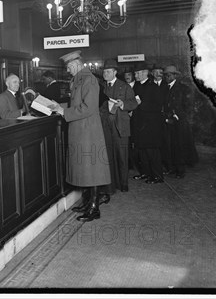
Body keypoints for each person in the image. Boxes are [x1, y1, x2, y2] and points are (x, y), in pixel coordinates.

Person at [50, 50, 111, 222]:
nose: (68, 70)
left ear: (76, 64)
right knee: (84, 168)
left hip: (88, 130)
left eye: (69, 67)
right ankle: (88, 202)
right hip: (80, 129)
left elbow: (89, 108)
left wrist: (63, 111)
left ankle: (94, 207)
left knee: (91, 168)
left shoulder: (89, 79)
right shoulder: (78, 79)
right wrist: (58, 106)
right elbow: (75, 103)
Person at [98, 59, 138, 195]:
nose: (105, 74)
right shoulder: (102, 86)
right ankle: (112, 183)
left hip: (120, 126)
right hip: (105, 125)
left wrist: (122, 104)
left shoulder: (125, 86)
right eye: (104, 72)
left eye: (108, 71)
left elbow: (134, 103)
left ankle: (124, 183)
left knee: (122, 156)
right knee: (108, 156)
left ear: (115, 72)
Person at [130, 61, 164, 184]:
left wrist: (141, 104)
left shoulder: (153, 87)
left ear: (145, 73)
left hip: (151, 125)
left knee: (152, 151)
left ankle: (157, 176)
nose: (136, 75)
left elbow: (157, 106)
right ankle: (146, 173)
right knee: (142, 151)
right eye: (135, 73)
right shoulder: (137, 86)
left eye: (138, 73)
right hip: (140, 124)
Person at [162, 65, 199, 178]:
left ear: (175, 76)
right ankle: (172, 168)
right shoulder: (165, 88)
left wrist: (177, 116)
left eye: (169, 75)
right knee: (170, 145)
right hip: (168, 121)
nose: (167, 77)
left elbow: (188, 106)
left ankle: (180, 170)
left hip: (180, 122)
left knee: (179, 146)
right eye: (166, 75)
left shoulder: (183, 88)